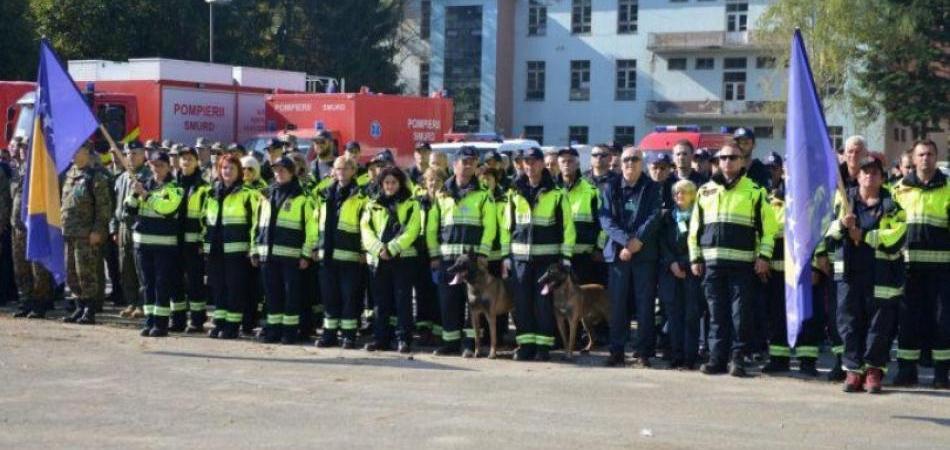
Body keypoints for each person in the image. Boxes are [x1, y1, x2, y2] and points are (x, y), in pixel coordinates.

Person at [688, 141, 777, 377]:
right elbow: (695, 228)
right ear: (717, 162)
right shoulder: (704, 191)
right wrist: (695, 257)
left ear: (741, 162)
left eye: (733, 158)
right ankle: (717, 359)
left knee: (740, 315)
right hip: (712, 264)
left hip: (743, 265)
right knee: (716, 315)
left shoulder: (755, 192)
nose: (728, 162)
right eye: (724, 158)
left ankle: (737, 360)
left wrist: (764, 256)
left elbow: (769, 229)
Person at [827, 156, 904, 393]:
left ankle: (873, 370)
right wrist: (841, 225)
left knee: (878, 325)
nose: (869, 176)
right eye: (865, 172)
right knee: (849, 322)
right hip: (850, 274)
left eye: (874, 172)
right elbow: (827, 233)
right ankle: (853, 370)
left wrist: (867, 236)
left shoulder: (891, 204)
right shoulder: (844, 201)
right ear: (857, 176)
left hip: (882, 274)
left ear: (882, 177)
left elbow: (898, 235)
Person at [501, 147, 575, 361]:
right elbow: (507, 226)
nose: (529, 166)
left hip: (547, 260)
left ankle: (543, 347)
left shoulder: (557, 193)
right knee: (522, 303)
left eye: (534, 162)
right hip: (520, 260)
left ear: (543, 164)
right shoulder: (514, 192)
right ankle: (525, 345)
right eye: (526, 162)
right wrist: (506, 256)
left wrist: (565, 259)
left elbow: (567, 229)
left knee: (543, 304)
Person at [889, 140, 949, 388]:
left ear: (937, 157)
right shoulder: (898, 190)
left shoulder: (947, 188)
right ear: (913, 159)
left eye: (930, 154)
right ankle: (906, 371)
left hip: (942, 269)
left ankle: (941, 374)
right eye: (921, 154)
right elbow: (889, 227)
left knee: (942, 322)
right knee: (908, 321)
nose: (926, 158)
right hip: (908, 268)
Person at [426, 146, 496, 356]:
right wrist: (434, 255)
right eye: (464, 162)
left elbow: (490, 227)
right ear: (454, 164)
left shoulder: (484, 196)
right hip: (447, 259)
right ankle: (450, 342)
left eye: (472, 162)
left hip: (473, 262)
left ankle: (469, 344)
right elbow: (432, 227)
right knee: (448, 302)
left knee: (471, 305)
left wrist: (483, 255)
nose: (468, 166)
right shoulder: (442, 194)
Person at [598, 146, 664, 367]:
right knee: (617, 306)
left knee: (644, 305)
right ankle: (616, 351)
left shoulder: (653, 187)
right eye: (625, 159)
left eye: (634, 159)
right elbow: (606, 221)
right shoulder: (610, 187)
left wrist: (637, 242)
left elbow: (654, 217)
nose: (629, 163)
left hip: (644, 255)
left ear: (642, 163)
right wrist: (626, 242)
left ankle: (644, 352)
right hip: (618, 255)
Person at [253, 156, 316, 345]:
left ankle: (289, 333)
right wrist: (254, 249)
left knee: (291, 297)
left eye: (283, 170)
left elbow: (311, 229)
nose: (278, 173)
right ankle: (273, 331)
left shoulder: (302, 197)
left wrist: (306, 253)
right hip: (267, 255)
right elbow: (257, 226)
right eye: (276, 170)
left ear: (291, 172)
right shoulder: (265, 194)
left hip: (291, 257)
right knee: (272, 296)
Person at [360, 167, 422, 353]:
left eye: (393, 182)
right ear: (381, 184)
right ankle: (381, 339)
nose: (390, 186)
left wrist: (392, 248)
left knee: (403, 301)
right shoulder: (372, 204)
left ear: (400, 183)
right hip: (379, 260)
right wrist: (379, 249)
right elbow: (366, 229)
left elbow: (412, 230)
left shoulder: (411, 204)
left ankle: (403, 339)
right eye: (386, 182)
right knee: (380, 302)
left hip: (402, 259)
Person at [203, 154, 261, 339]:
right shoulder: (212, 193)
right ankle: (219, 322)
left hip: (237, 251)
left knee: (235, 289)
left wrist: (253, 249)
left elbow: (255, 224)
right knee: (218, 288)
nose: (227, 171)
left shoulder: (247, 194)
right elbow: (204, 220)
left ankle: (232, 325)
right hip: (215, 249)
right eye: (224, 168)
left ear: (239, 172)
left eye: (232, 168)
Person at [127, 151, 183, 337]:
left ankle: (161, 324)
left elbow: (166, 209)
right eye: (153, 165)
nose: (156, 169)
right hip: (143, 244)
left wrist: (146, 195)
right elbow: (129, 209)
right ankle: (149, 319)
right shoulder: (145, 184)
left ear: (168, 167)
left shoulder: (174, 187)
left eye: (160, 165)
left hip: (164, 246)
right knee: (148, 285)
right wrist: (135, 194)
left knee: (162, 284)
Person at [314, 156, 368, 349]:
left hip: (350, 256)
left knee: (349, 298)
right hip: (327, 256)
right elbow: (315, 222)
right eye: (338, 169)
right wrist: (314, 246)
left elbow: (366, 225)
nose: (341, 172)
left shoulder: (361, 196)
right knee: (329, 298)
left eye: (345, 169)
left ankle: (348, 335)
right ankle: (329, 335)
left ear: (354, 171)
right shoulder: (324, 193)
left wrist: (363, 249)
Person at [61, 143, 113, 325]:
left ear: (87, 153)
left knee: (87, 272)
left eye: (77, 151)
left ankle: (89, 310)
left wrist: (98, 231)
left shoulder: (96, 177)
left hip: (86, 234)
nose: (73, 154)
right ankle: (79, 306)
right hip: (70, 233)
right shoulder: (70, 175)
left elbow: (103, 208)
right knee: (71, 273)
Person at [658, 180, 702, 369]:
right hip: (670, 272)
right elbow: (662, 242)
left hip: (691, 271)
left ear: (692, 194)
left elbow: (700, 242)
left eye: (683, 193)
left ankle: (689, 357)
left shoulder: (700, 216)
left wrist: (683, 263)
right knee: (673, 316)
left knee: (690, 317)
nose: (679, 197)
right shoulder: (668, 217)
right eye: (676, 193)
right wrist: (672, 263)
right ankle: (676, 356)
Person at [10, 141, 54, 318]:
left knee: (38, 268)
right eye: (21, 148)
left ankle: (40, 303)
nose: (22, 151)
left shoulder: (41, 171)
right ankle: (26, 301)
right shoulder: (17, 171)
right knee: (21, 267)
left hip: (36, 227)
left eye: (27, 148)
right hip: (18, 228)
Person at [171, 146, 210, 333]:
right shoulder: (172, 185)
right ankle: (177, 320)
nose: (186, 162)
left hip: (194, 244)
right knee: (175, 282)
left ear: (197, 162)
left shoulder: (204, 188)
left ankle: (197, 320)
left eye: (190, 159)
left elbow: (207, 218)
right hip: (173, 242)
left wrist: (203, 242)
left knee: (195, 283)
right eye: (183, 158)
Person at [557, 147, 604, 285]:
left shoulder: (592, 192)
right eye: (563, 161)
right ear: (558, 164)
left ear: (578, 164)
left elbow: (603, 225)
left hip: (585, 257)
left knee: (583, 300)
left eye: (570, 161)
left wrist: (599, 248)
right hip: (557, 256)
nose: (566, 164)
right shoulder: (551, 190)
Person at [113, 140, 149, 319]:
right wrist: (114, 227)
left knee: (139, 267)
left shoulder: (147, 176)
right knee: (125, 266)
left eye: (135, 153)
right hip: (122, 227)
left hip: (138, 226)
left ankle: (143, 304)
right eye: (128, 153)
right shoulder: (121, 177)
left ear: (144, 155)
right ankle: (131, 302)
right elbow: (116, 204)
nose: (131, 157)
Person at [412, 167, 446, 344]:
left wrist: (436, 256)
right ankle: (423, 329)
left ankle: (438, 330)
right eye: (430, 180)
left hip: (440, 252)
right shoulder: (418, 201)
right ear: (425, 183)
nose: (433, 184)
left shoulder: (446, 200)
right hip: (420, 252)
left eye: (437, 180)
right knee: (422, 292)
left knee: (438, 292)